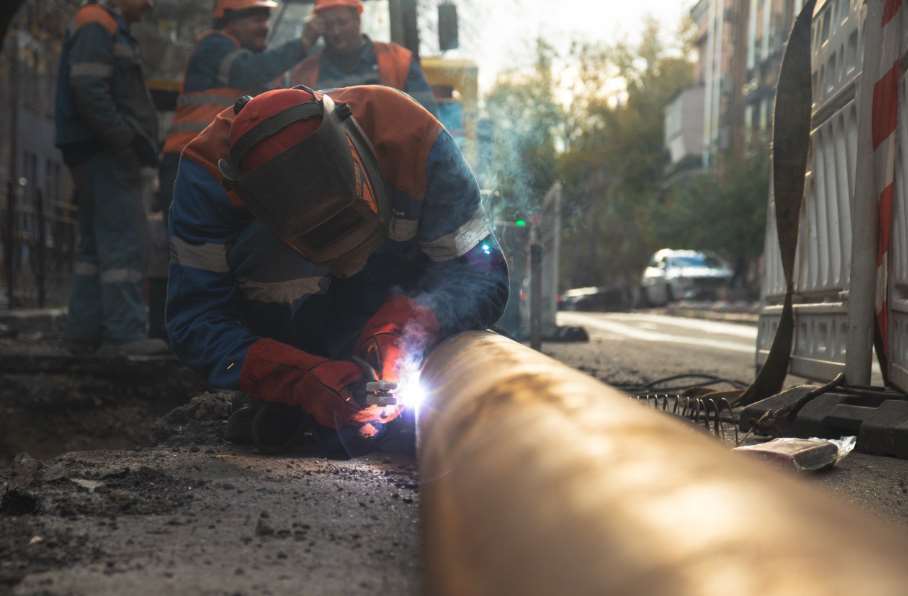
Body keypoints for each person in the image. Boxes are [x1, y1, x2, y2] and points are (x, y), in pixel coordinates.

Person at [166, 85, 508, 454]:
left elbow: (483, 275)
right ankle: (297, 395)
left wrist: (415, 320)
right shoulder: (206, 177)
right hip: (294, 340)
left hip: (392, 305)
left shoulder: (412, 140)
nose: (346, 261)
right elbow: (195, 321)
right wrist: (296, 377)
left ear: (356, 154)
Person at [151, 0, 321, 339]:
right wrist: (302, 43)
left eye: (265, 18)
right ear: (231, 22)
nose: (263, 26)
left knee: (211, 247)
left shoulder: (229, 53)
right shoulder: (217, 47)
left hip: (210, 162)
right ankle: (180, 331)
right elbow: (251, 72)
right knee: (190, 249)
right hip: (192, 163)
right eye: (255, 18)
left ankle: (207, 329)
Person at [55, 0, 167, 356]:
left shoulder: (101, 25)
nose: (149, 5)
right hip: (105, 152)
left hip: (91, 149)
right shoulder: (97, 24)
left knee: (95, 245)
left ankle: (83, 331)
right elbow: (88, 90)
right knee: (124, 241)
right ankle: (125, 335)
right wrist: (127, 140)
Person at [289, 0, 438, 114]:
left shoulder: (399, 60)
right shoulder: (303, 74)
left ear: (358, 20)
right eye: (328, 25)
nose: (336, 32)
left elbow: (427, 118)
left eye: (342, 22)